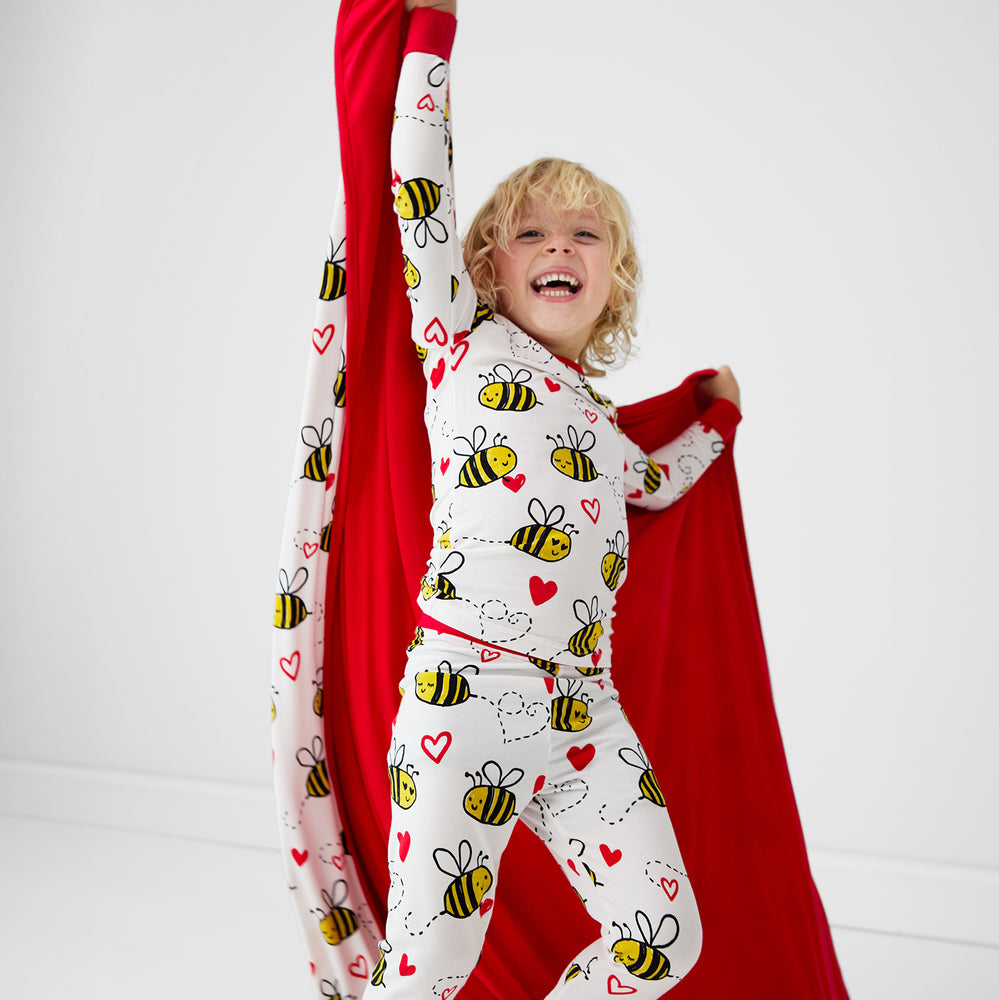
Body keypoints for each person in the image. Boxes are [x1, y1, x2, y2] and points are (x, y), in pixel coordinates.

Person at [366, 2, 741, 996]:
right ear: (490, 265)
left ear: (613, 281)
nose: (557, 244)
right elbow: (420, 193)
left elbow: (655, 485)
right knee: (429, 960)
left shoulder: (599, 422)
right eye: (529, 231)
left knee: (661, 935)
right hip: (465, 691)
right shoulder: (460, 342)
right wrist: (429, 43)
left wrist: (714, 425)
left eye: (584, 233)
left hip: (585, 711)